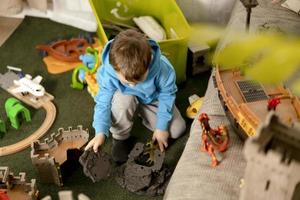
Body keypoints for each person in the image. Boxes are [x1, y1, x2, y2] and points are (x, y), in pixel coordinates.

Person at [85, 29, 186, 163]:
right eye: (126, 82)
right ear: (115, 69)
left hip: (151, 100)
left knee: (178, 129)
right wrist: (100, 132)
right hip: (124, 99)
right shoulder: (109, 71)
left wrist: (161, 127)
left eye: (139, 80)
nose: (132, 86)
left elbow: (167, 96)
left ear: (149, 62)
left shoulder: (163, 70)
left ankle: (141, 114)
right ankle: (120, 138)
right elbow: (103, 103)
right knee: (124, 99)